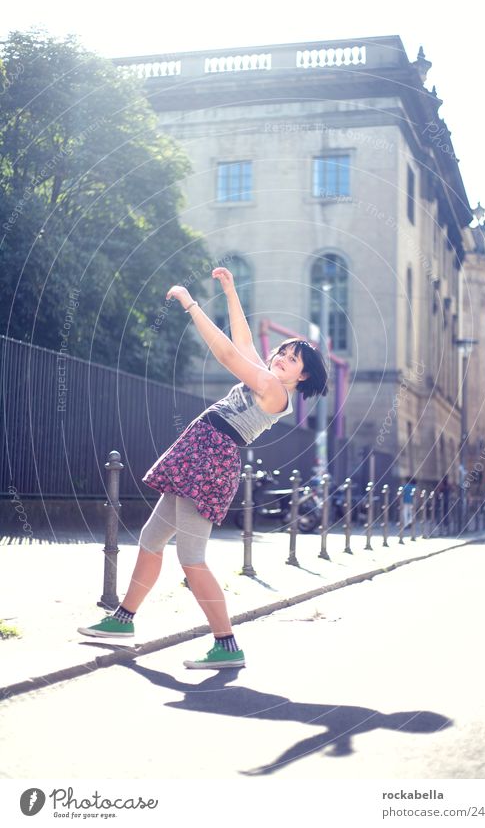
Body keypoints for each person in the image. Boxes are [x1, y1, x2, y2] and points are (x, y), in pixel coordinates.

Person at [78, 267, 329, 669]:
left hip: (210, 461)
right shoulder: (266, 377)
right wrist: (230, 290)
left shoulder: (274, 390)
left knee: (192, 557)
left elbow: (228, 354)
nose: (282, 357)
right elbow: (244, 341)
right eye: (281, 352)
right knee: (152, 537)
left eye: (292, 358)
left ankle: (227, 644)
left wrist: (190, 303)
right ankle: (123, 621)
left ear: (304, 376)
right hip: (199, 453)